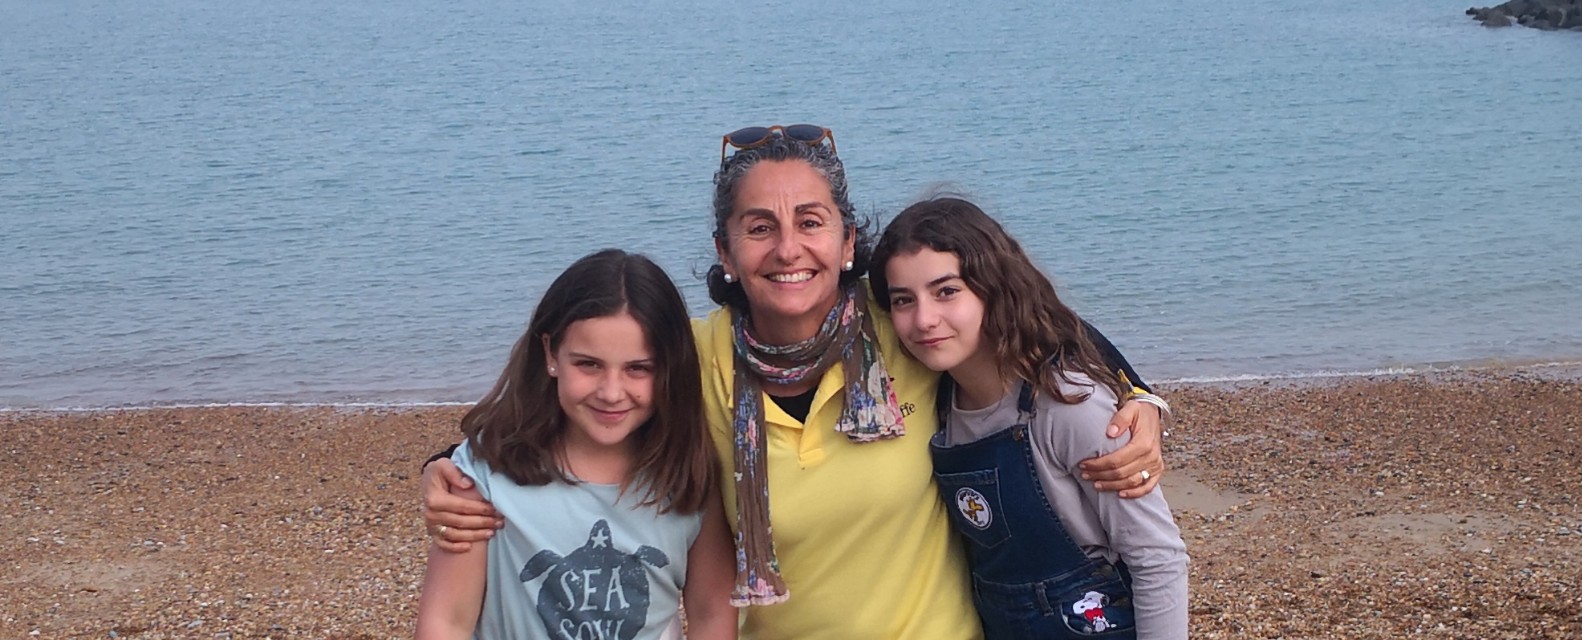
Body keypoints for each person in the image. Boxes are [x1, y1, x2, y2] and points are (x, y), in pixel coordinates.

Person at [421, 125, 1170, 639]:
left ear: (846, 242)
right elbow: (584, 407)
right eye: (759, 228)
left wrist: (1139, 398)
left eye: (811, 222)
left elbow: (1031, 320)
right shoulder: (692, 359)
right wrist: (450, 467)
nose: (788, 249)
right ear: (725, 252)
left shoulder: (903, 323)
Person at [869, 196, 1188, 639]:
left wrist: (1146, 399)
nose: (924, 319)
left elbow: (1158, 559)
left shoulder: (1068, 405)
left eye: (947, 291)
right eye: (903, 300)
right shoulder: (937, 400)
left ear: (993, 288)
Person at [414, 249, 736, 640]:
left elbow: (711, 614)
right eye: (588, 364)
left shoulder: (689, 476)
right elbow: (446, 621)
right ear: (551, 353)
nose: (611, 393)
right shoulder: (484, 479)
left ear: (670, 368)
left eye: (638, 368)